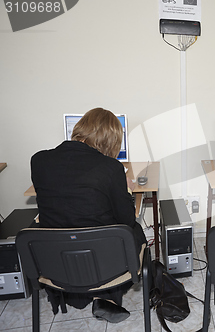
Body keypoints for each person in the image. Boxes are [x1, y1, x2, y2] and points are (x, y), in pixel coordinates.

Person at [31, 108, 147, 323]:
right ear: (110, 139)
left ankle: (82, 297)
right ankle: (108, 295)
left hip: (55, 263)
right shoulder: (110, 168)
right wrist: (127, 190)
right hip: (104, 265)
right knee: (134, 230)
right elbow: (126, 220)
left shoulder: (38, 161)